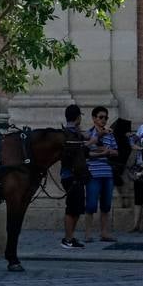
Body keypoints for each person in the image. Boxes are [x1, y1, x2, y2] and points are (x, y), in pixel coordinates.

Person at [84, 105, 118, 243]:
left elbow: (116, 151)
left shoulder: (110, 134)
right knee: (91, 205)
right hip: (93, 174)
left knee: (106, 205)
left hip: (107, 173)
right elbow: (86, 153)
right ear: (94, 118)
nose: (104, 120)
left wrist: (108, 152)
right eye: (101, 117)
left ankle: (104, 233)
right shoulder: (88, 134)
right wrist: (102, 152)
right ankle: (88, 234)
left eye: (106, 117)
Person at [60, 104, 87, 250]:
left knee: (77, 208)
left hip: (75, 176)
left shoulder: (74, 133)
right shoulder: (69, 134)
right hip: (71, 176)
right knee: (71, 208)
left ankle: (70, 237)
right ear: (78, 117)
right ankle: (67, 239)